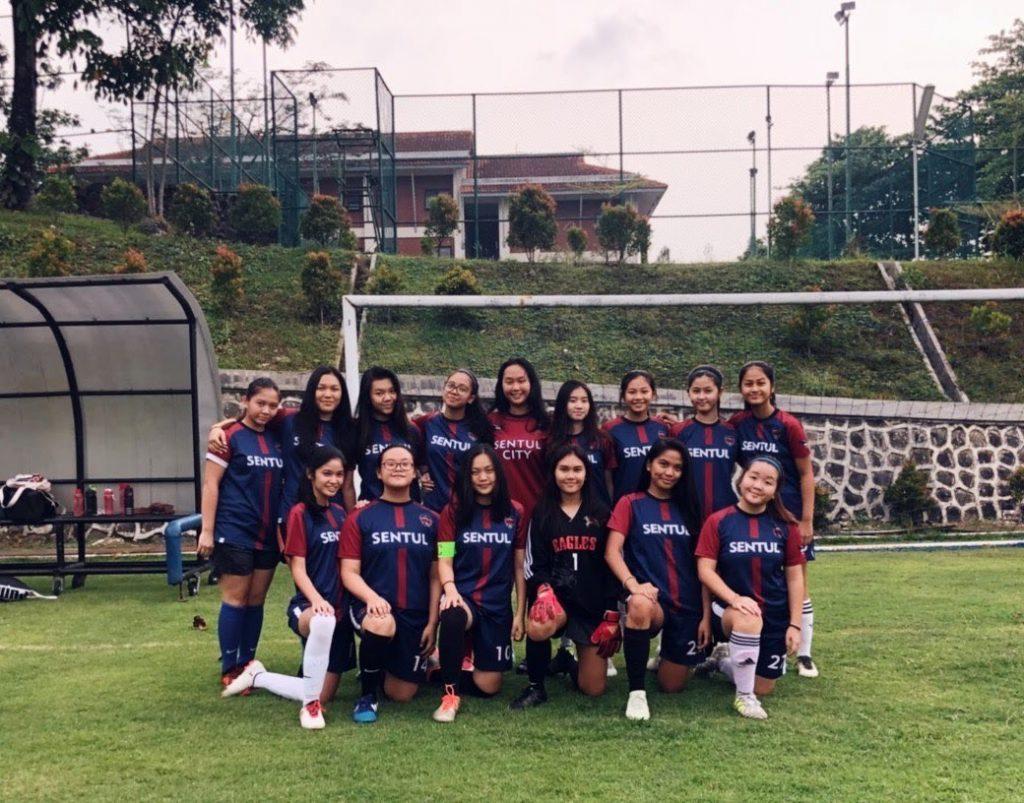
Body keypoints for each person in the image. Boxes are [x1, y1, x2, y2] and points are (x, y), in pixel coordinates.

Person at [222, 446, 353, 730]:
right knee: (323, 620)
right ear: (310, 475)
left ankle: (258, 676)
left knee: (322, 690)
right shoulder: (299, 513)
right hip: (308, 605)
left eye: (339, 475)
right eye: (327, 473)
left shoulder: (341, 514)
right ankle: (310, 707)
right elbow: (297, 567)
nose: (333, 480)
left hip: (339, 607)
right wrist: (316, 599)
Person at [605, 438, 708, 721]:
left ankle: (668, 657)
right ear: (649, 465)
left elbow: (703, 566)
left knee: (672, 686)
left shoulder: (689, 508)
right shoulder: (630, 503)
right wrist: (632, 585)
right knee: (637, 604)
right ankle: (636, 694)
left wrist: (706, 615)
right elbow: (612, 551)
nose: (669, 472)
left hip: (686, 605)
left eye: (677, 467)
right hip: (652, 602)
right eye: (663, 464)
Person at [695, 456, 806, 720]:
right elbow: (705, 571)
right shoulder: (719, 521)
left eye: (768, 482)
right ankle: (744, 698)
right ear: (741, 479)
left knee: (764, 686)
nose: (758, 485)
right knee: (749, 616)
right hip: (731, 609)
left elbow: (794, 578)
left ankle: (724, 661)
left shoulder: (786, 526)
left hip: (774, 614)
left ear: (776, 490)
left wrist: (795, 624)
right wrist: (734, 599)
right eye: (753, 477)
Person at [510, 444, 619, 710]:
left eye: (577, 469)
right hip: (556, 600)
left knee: (593, 689)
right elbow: (533, 564)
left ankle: (566, 662)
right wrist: (543, 589)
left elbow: (612, 564)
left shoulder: (601, 512)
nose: (571, 476)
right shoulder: (543, 511)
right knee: (538, 621)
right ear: (554, 472)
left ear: (586, 473)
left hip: (591, 605)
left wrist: (611, 614)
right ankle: (536, 687)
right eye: (564, 469)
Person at [728, 361, 818, 678]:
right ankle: (742, 642)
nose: (754, 389)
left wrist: (806, 520)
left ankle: (804, 653)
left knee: (797, 579)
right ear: (741, 389)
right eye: (748, 384)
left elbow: (806, 474)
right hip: (755, 509)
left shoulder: (788, 426)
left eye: (760, 382)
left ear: (772, 386)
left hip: (788, 512)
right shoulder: (738, 423)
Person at [340, 444, 440, 723]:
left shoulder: (434, 521)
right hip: (371, 608)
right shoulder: (358, 517)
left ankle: (384, 663)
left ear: (415, 474)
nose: (398, 468)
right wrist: (371, 598)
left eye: (405, 464)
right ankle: (367, 696)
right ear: (378, 473)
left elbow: (437, 575)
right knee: (382, 623)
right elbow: (349, 572)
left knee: (401, 694)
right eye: (390, 464)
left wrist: (433, 623)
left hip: (415, 614)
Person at [197, 377, 284, 690]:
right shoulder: (229, 436)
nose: (266, 410)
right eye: (261, 403)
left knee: (256, 600)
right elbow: (211, 484)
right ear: (246, 400)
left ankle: (249, 661)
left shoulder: (276, 437)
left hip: (267, 533)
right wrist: (206, 530)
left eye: (273, 405)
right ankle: (230, 665)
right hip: (234, 529)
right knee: (235, 599)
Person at [432, 444, 527, 722]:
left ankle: (440, 667)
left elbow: (519, 566)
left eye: (488, 470)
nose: (482, 477)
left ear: (498, 474)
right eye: (475, 472)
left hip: (497, 605)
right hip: (465, 598)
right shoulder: (454, 511)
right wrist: (450, 589)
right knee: (451, 615)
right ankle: (450, 696)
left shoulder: (515, 512)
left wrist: (520, 613)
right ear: (467, 477)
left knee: (489, 687)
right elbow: (444, 558)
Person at [207, 364, 357, 516]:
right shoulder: (289, 419)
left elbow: (348, 486)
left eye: (334, 389)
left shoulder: (350, 430)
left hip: (331, 518)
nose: (327, 394)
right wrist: (218, 428)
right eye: (321, 388)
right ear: (312, 390)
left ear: (342, 393)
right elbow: (252, 418)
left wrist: (352, 521)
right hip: (291, 512)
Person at [415, 368, 494, 513]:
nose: (454, 391)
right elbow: (410, 449)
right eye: (451, 385)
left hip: (468, 509)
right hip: (433, 508)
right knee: (443, 537)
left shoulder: (480, 429)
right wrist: (421, 473)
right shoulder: (426, 422)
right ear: (443, 388)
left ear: (471, 398)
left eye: (462, 389)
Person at [670, 365, 740, 523]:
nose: (701, 397)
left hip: (725, 516)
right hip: (685, 515)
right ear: (688, 393)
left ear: (720, 392)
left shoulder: (732, 432)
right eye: (696, 391)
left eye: (708, 391)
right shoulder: (678, 432)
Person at [488, 357, 549, 519]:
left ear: (531, 383)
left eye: (521, 381)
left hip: (537, 516)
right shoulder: (489, 422)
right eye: (509, 381)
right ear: (501, 386)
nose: (515, 387)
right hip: (497, 517)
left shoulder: (547, 424)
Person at [354, 367, 423, 503]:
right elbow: (346, 480)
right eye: (379, 393)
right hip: (371, 510)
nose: (388, 398)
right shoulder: (356, 430)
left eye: (392, 391)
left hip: (409, 511)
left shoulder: (412, 430)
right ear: (367, 396)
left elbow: (422, 470)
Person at [603, 369, 670, 503]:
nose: (638, 397)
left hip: (658, 506)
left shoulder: (662, 427)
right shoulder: (610, 429)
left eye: (644, 391)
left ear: (653, 394)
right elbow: (607, 476)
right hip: (623, 507)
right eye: (632, 392)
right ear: (623, 396)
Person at [548, 380, 617, 508]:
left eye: (584, 401)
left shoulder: (602, 439)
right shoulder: (551, 440)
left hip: (597, 514)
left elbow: (609, 482)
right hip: (560, 513)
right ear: (563, 403)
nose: (579, 406)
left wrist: (610, 509)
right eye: (573, 400)